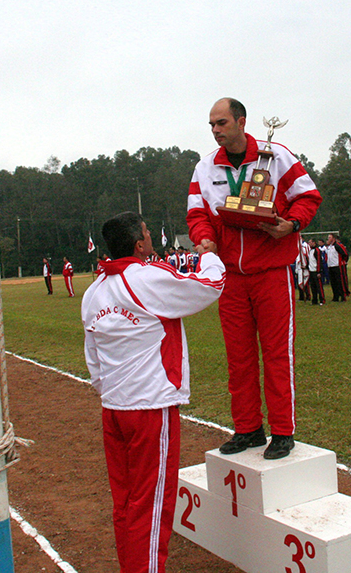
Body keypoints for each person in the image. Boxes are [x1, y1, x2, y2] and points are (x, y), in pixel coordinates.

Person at [82, 211, 225, 573]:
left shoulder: (93, 291)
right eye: (147, 232)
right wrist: (207, 252)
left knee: (126, 502)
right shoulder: (146, 278)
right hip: (149, 408)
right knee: (152, 504)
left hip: (113, 409)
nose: (151, 237)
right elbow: (210, 285)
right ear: (139, 244)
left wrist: (111, 391)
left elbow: (93, 361)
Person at [186, 97, 322, 460]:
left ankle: (282, 432)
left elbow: (308, 197)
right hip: (230, 276)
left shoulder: (276, 157)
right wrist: (204, 238)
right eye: (211, 125)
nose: (215, 130)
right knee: (239, 357)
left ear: (241, 122)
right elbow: (196, 213)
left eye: (221, 123)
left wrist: (290, 225)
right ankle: (247, 428)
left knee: (277, 354)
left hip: (271, 272)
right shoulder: (204, 168)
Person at [326, 233, 345, 302]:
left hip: (336, 266)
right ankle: (335, 296)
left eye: (330, 237)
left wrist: (342, 262)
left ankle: (343, 296)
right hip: (330, 266)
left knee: (339, 282)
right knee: (333, 282)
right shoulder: (329, 247)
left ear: (333, 238)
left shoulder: (336, 246)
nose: (328, 239)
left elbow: (343, 254)